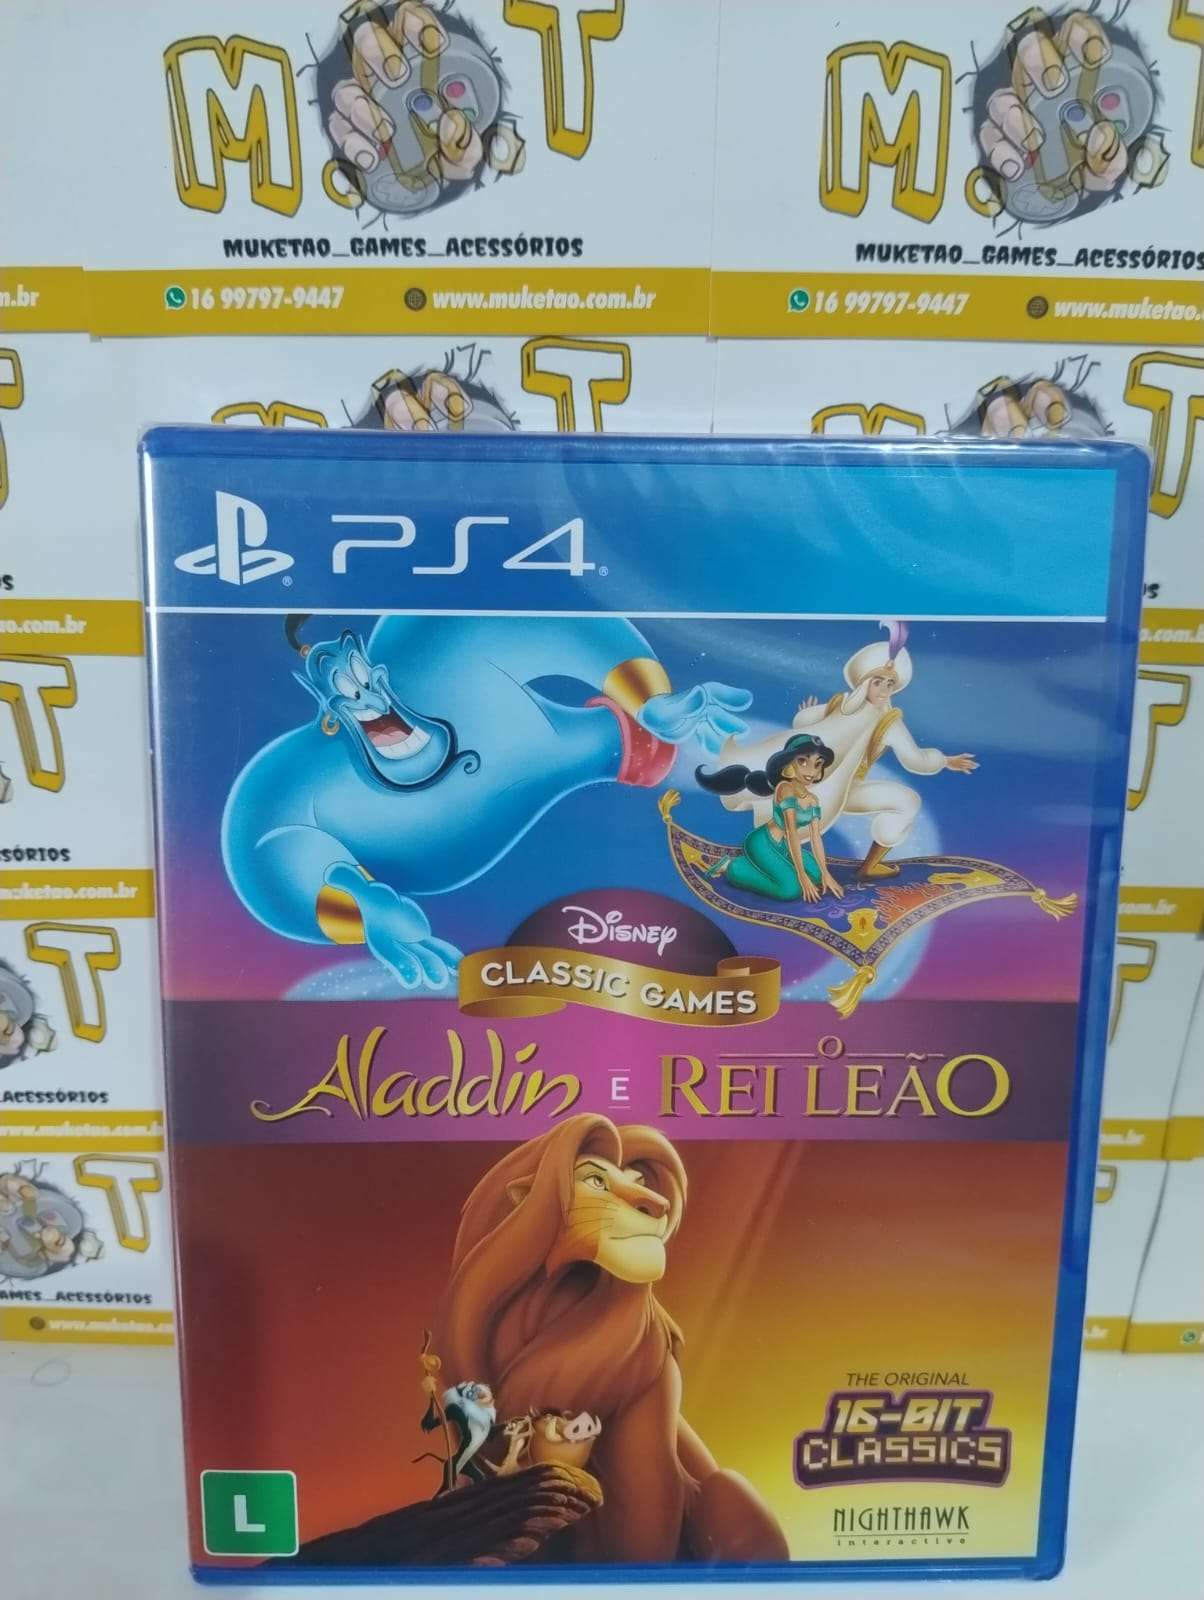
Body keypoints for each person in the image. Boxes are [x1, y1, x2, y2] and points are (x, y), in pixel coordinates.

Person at [714, 623, 977, 880]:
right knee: (789, 826)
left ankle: (869, 867)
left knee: (907, 801)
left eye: (889, 684)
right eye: (878, 682)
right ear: (865, 683)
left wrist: (943, 760)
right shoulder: (841, 706)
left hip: (848, 790)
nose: (884, 690)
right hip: (814, 786)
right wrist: (944, 760)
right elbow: (804, 724)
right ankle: (757, 862)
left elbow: (914, 759)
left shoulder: (885, 720)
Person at [697, 735, 844, 904]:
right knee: (791, 889)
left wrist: (826, 873)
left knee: (817, 876)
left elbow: (816, 837)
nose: (811, 770)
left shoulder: (812, 800)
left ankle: (771, 867)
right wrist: (802, 877)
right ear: (788, 765)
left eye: (818, 764)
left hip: (783, 846)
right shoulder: (785, 789)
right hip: (762, 842)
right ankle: (733, 867)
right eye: (803, 761)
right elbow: (791, 832)